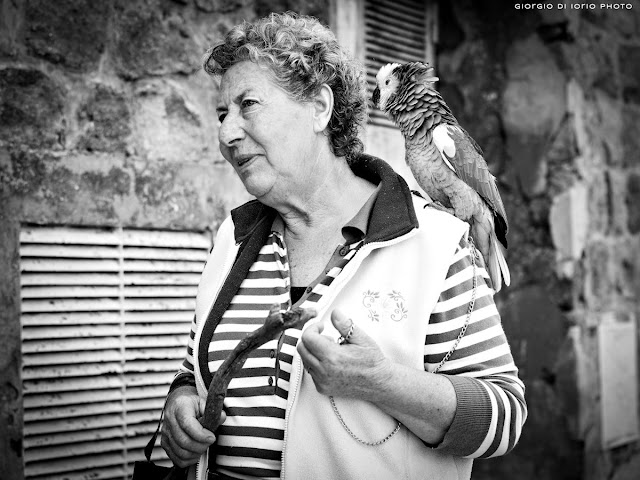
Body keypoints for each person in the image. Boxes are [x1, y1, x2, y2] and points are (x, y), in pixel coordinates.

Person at [161, 12, 527, 480]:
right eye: (221, 113)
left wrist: (383, 383)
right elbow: (193, 369)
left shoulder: (434, 243)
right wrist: (181, 400)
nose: (226, 133)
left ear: (319, 106)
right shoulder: (231, 240)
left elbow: (505, 416)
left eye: (248, 104)